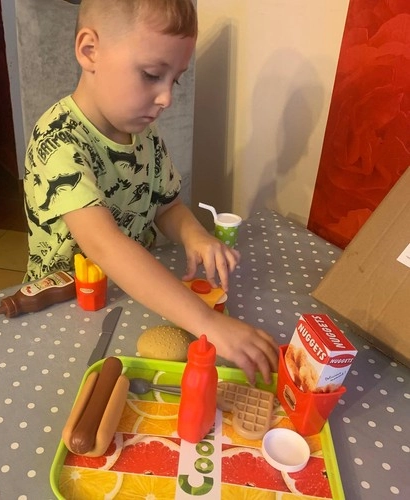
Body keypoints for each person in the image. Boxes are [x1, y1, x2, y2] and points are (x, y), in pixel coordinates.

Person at [23, 0, 278, 384]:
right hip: (66, 304)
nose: (166, 98)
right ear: (90, 51)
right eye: (152, 74)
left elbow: (167, 206)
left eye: (174, 80)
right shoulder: (58, 141)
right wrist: (208, 322)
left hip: (135, 293)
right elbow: (105, 245)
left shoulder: (144, 136)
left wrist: (195, 235)